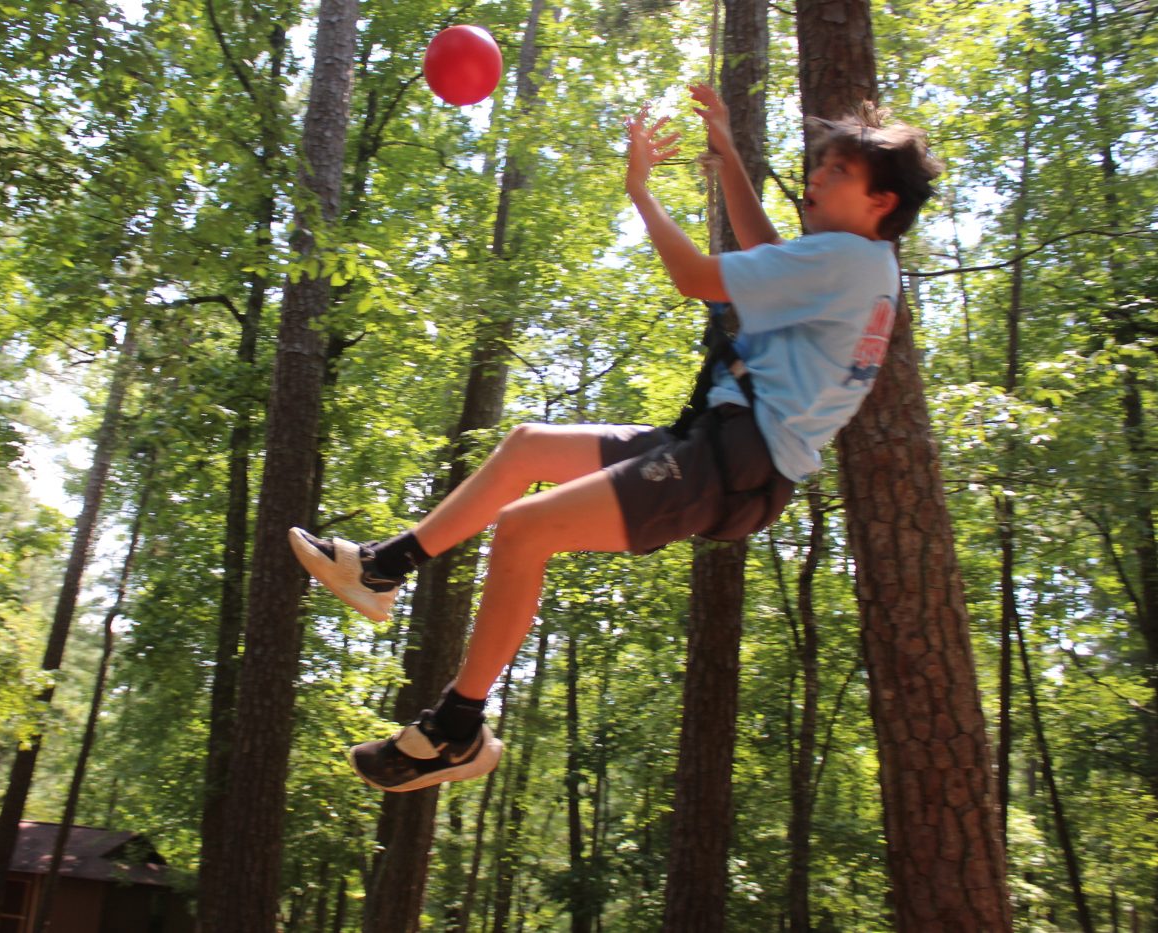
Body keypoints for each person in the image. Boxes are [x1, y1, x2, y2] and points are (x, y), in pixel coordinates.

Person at [289, 84, 942, 793]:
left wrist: (641, 191)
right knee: (528, 445)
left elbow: (695, 277)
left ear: (880, 202)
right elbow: (767, 250)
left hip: (734, 465)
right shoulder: (859, 264)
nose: (817, 175)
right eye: (823, 164)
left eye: (839, 171)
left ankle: (455, 729)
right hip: (717, 446)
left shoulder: (847, 259)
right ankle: (382, 568)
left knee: (524, 529)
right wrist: (727, 157)